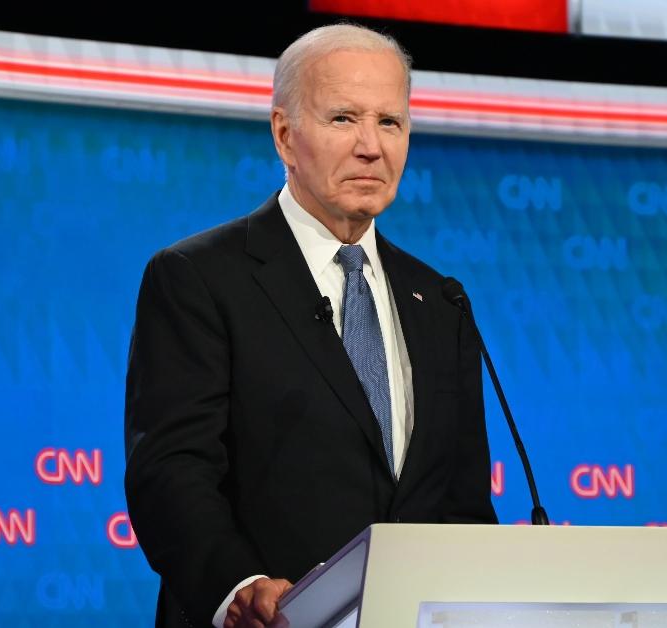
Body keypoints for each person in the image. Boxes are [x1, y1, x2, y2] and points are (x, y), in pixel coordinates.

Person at [123, 23, 497, 628]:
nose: (372, 146)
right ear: (284, 134)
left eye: (391, 122)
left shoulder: (440, 299)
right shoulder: (199, 277)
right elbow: (170, 471)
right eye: (344, 119)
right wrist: (240, 587)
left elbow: (462, 506)